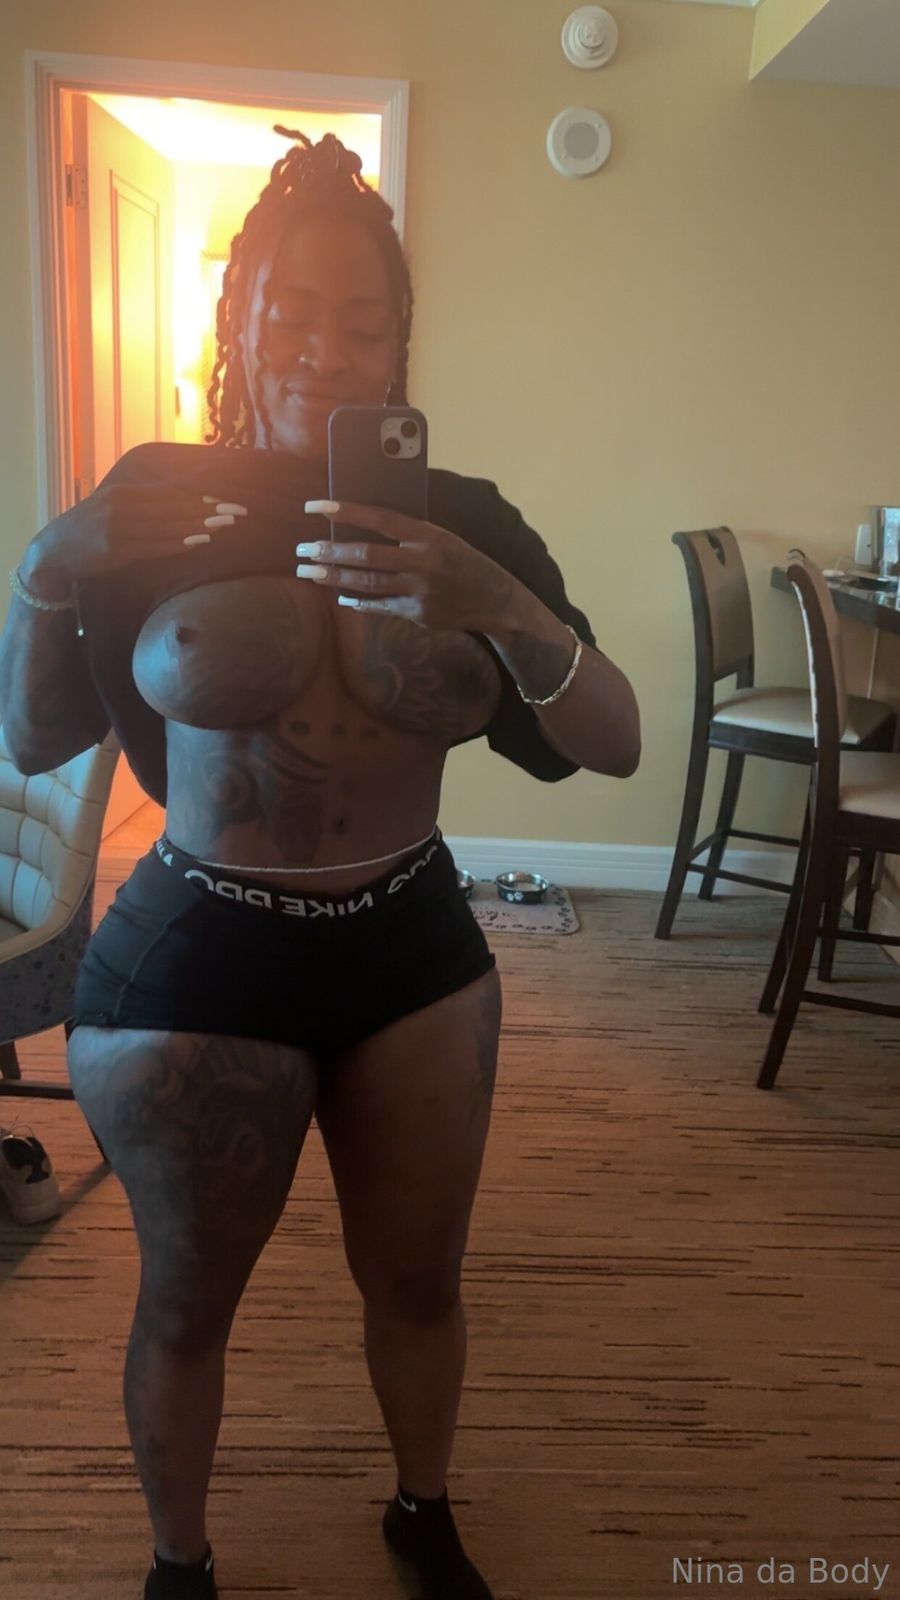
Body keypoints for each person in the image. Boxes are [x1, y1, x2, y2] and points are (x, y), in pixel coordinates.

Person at [0, 130, 640, 1600]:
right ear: (237, 321)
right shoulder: (159, 496)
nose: (325, 352)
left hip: (410, 947)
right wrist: (47, 567)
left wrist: (498, 603)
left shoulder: (463, 520)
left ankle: (424, 1509)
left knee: (418, 1281)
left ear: (402, 338)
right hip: (203, 950)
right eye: (291, 314)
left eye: (364, 322)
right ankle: (179, 1566)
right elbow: (32, 739)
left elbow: (612, 743)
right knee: (186, 1299)